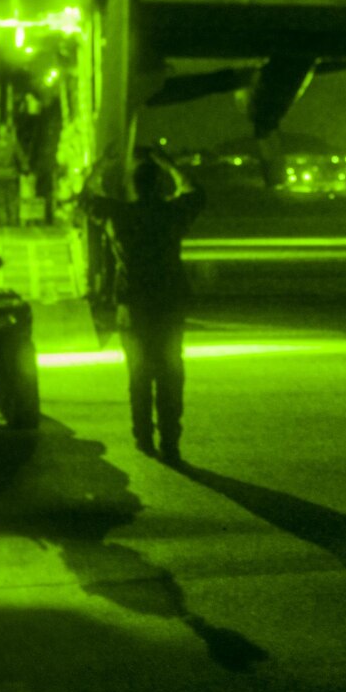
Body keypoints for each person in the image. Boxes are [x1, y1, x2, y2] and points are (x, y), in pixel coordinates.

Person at [82, 148, 206, 462]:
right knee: (170, 372)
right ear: (158, 185)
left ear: (133, 187)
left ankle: (143, 437)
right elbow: (196, 193)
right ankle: (170, 441)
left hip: (132, 305)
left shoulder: (118, 215)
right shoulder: (171, 213)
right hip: (169, 301)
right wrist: (169, 163)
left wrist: (102, 164)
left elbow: (85, 197)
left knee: (138, 373)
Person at [0, 122, 26, 227]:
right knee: (12, 198)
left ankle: (2, 220)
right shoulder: (13, 144)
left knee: (0, 199)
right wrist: (24, 170)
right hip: (12, 174)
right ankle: (12, 220)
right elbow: (21, 159)